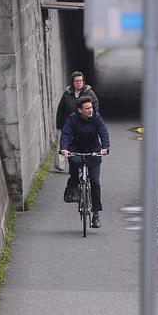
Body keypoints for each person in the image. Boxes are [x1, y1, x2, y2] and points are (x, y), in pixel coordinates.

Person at [59, 96, 111, 227]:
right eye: (87, 108)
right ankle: (73, 186)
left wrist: (105, 147)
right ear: (80, 110)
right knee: (75, 162)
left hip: (93, 150)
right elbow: (66, 134)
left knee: (95, 183)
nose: (90, 110)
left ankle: (96, 214)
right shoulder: (73, 119)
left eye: (91, 107)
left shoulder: (97, 118)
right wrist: (64, 149)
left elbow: (103, 132)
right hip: (76, 148)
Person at [55, 71, 98, 171]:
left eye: (81, 80)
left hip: (84, 126)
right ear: (72, 82)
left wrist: (92, 122)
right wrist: (59, 125)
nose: (79, 83)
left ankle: (84, 167)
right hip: (69, 126)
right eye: (77, 81)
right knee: (70, 149)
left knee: (82, 147)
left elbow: (95, 109)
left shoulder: (89, 93)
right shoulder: (67, 94)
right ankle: (74, 169)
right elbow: (61, 109)